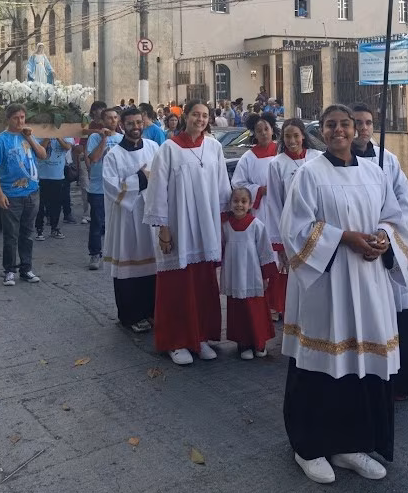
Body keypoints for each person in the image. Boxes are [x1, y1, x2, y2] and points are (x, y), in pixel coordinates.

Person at [280, 104, 408, 485]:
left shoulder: (374, 172)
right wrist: (345, 238)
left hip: (368, 283)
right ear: (322, 131)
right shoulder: (309, 174)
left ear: (356, 130)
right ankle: (310, 446)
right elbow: (294, 229)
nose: (339, 130)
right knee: (320, 365)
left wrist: (384, 237)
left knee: (358, 365)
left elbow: (394, 216)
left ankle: (349, 444)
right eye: (331, 125)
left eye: (345, 125)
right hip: (326, 285)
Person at [144, 99, 231, 365]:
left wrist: (224, 226)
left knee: (203, 285)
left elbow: (222, 189)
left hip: (206, 228)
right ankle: (176, 341)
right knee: (177, 286)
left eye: (205, 115)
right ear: (186, 117)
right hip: (179, 227)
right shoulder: (169, 149)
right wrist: (164, 231)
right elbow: (157, 192)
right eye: (196, 114)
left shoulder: (214, 147)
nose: (201, 119)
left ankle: (200, 337)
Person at [351, 103, 408, 400]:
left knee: (395, 312)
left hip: (384, 245)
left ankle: (397, 382)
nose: (364, 127)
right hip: (355, 248)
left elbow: (403, 200)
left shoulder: (387, 160)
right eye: (358, 122)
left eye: (368, 122)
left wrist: (386, 234)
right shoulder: (338, 160)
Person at [103, 107, 159, 333]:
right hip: (127, 220)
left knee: (152, 266)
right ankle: (130, 316)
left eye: (139, 123)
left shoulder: (154, 148)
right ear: (122, 126)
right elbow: (112, 189)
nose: (136, 128)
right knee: (128, 269)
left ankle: (152, 311)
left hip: (150, 216)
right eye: (130, 124)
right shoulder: (113, 155)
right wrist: (140, 178)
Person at [0, 103, 48, 286]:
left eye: (22, 117)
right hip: (11, 194)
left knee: (27, 233)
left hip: (31, 192)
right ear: (8, 119)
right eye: (16, 118)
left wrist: (30, 138)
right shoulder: (1, 140)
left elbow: (42, 155)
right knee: (11, 235)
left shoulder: (28, 135)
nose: (20, 121)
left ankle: (26, 268)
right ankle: (9, 270)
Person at [266, 118, 321, 317]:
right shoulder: (277, 164)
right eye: (287, 136)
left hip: (318, 230)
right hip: (292, 232)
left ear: (303, 136)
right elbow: (274, 204)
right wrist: (279, 244)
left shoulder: (318, 157)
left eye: (296, 135)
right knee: (295, 279)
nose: (292, 140)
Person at [221, 187, 278, 359]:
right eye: (236, 201)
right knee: (238, 309)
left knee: (256, 309)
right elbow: (221, 249)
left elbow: (265, 250)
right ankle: (243, 343)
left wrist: (266, 275)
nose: (239, 205)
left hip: (252, 274)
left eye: (243, 201)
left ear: (251, 204)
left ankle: (259, 342)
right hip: (234, 275)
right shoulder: (225, 227)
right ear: (230, 204)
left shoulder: (256, 225)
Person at [232, 113, 278, 310]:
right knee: (266, 253)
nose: (263, 133)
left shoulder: (282, 151)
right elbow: (238, 183)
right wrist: (260, 190)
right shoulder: (248, 158)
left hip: (281, 209)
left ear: (273, 129)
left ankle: (282, 303)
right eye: (259, 131)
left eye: (266, 129)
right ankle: (268, 303)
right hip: (261, 212)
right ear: (254, 134)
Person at [86, 108, 123, 270]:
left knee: (117, 223)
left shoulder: (123, 138)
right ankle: (95, 254)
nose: (113, 121)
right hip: (98, 188)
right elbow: (94, 158)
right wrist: (103, 139)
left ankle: (118, 253)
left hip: (117, 189)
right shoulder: (94, 137)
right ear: (102, 121)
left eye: (115, 118)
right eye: (109, 118)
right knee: (97, 223)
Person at [34, 137, 73, 241]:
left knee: (56, 204)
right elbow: (39, 149)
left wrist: (58, 136)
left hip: (58, 176)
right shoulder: (40, 135)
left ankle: (54, 228)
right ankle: (39, 229)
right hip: (42, 176)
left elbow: (67, 147)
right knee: (40, 205)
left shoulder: (65, 134)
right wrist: (47, 137)